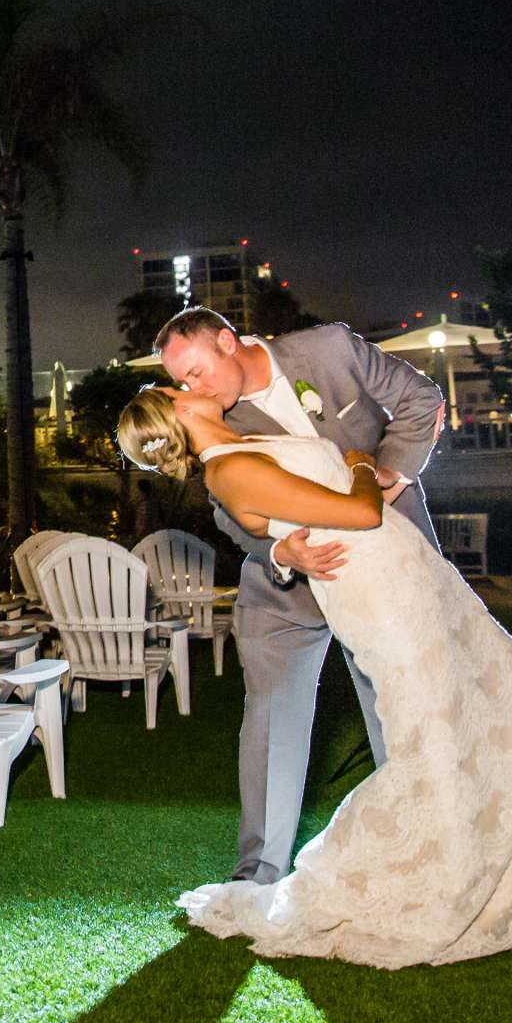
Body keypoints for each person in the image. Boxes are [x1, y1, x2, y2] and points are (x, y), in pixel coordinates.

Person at [118, 379, 512, 966]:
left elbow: (282, 524)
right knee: (432, 746)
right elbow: (359, 510)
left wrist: (286, 539)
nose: (189, 384)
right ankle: (428, 893)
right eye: (175, 387)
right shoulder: (229, 470)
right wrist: (361, 463)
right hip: (383, 602)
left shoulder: (246, 441)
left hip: (415, 578)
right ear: (178, 411)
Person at [157, 307, 444, 886]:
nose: (194, 388)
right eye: (183, 382)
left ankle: (418, 854)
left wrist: (390, 476)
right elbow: (226, 506)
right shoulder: (212, 417)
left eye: (197, 371)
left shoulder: (330, 350)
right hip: (284, 592)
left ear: (227, 340)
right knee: (270, 721)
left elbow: (422, 399)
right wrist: (278, 554)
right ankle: (257, 872)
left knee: (400, 710)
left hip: (381, 569)